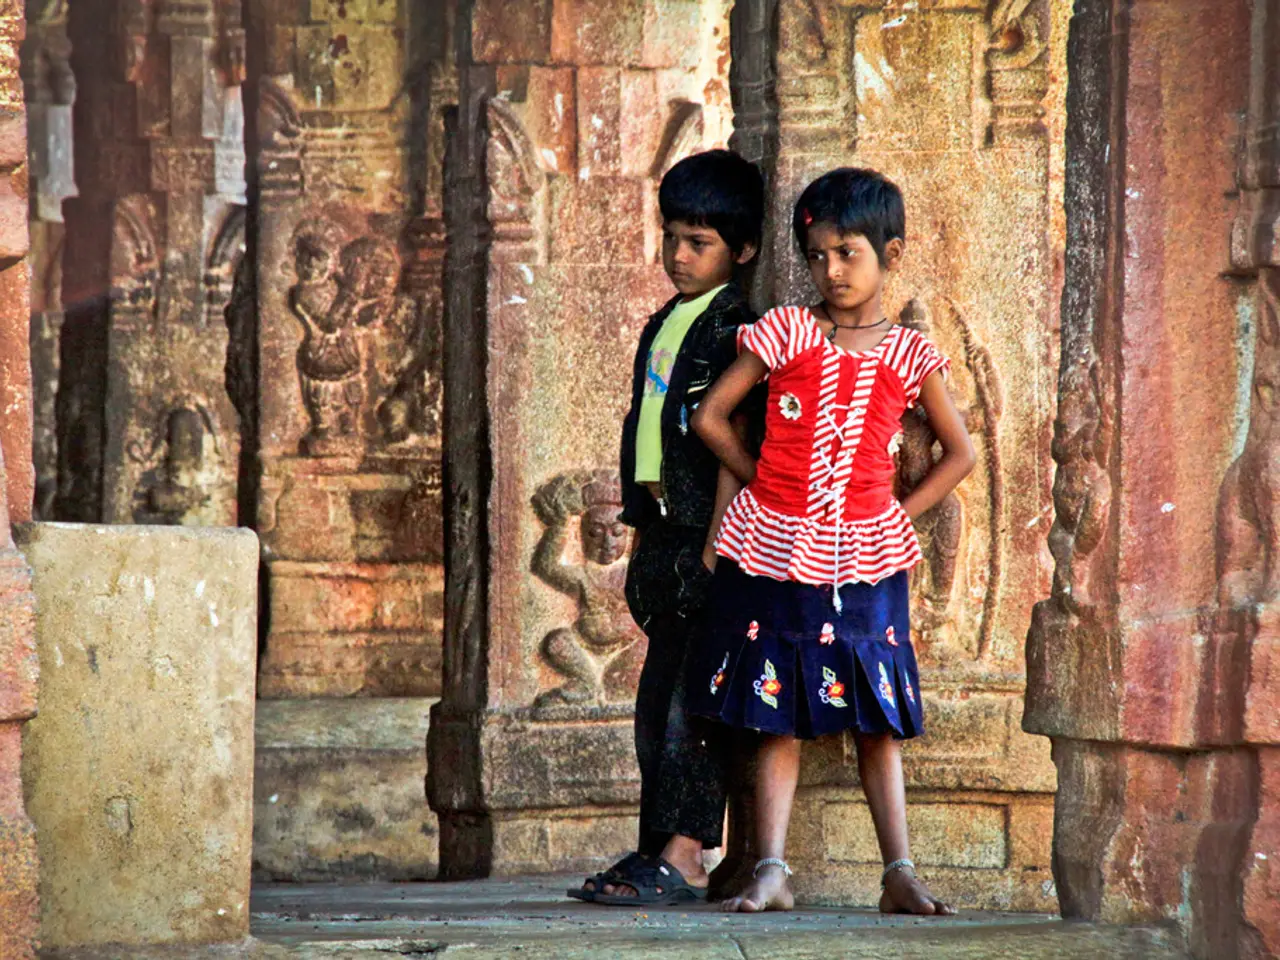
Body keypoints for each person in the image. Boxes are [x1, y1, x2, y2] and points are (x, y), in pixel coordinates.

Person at [688, 168, 975, 914]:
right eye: (817, 256)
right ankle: (773, 869)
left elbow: (961, 454)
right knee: (774, 706)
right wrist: (764, 486)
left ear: (891, 252)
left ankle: (899, 873)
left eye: (848, 253)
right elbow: (710, 418)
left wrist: (896, 516)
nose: (831, 271)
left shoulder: (911, 354)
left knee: (877, 715)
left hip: (868, 557)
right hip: (776, 549)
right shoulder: (785, 332)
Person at [568, 149, 765, 906]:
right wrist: (642, 532)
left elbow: (734, 442)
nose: (678, 256)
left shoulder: (737, 329)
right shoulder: (666, 321)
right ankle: (657, 846)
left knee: (692, 706)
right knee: (656, 709)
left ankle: (686, 853)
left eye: (699, 242)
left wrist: (717, 543)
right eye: (671, 237)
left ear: (741, 250)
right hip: (662, 535)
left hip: (709, 543)